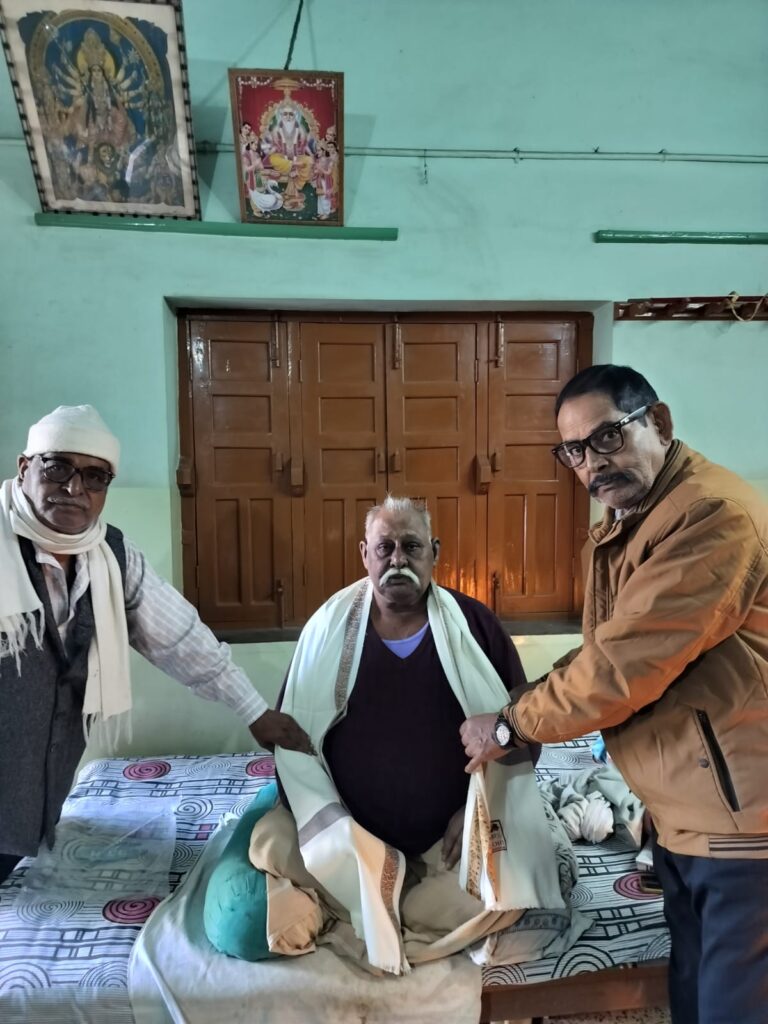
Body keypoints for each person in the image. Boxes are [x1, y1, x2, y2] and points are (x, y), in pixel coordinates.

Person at [460, 365, 768, 1024]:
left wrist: (512, 725)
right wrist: (529, 694)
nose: (591, 465)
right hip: (689, 809)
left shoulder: (710, 517)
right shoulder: (637, 521)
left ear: (658, 423)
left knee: (731, 1004)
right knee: (693, 992)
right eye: (573, 451)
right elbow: (611, 644)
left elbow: (622, 670)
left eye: (607, 438)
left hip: (744, 823)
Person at [241, 496, 584, 975]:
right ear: (364, 553)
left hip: (447, 838)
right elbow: (292, 742)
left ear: (434, 552)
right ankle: (370, 894)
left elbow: (524, 726)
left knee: (494, 889)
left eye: (411, 546)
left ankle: (362, 906)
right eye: (385, 548)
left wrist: (475, 809)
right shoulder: (326, 629)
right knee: (272, 840)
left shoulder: (476, 626)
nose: (397, 559)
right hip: (350, 829)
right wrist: (331, 820)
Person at [0, 405, 311, 884]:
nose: (75, 488)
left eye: (95, 476)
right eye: (58, 467)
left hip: (37, 798)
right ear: (25, 468)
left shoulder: (109, 557)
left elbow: (181, 637)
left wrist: (254, 711)